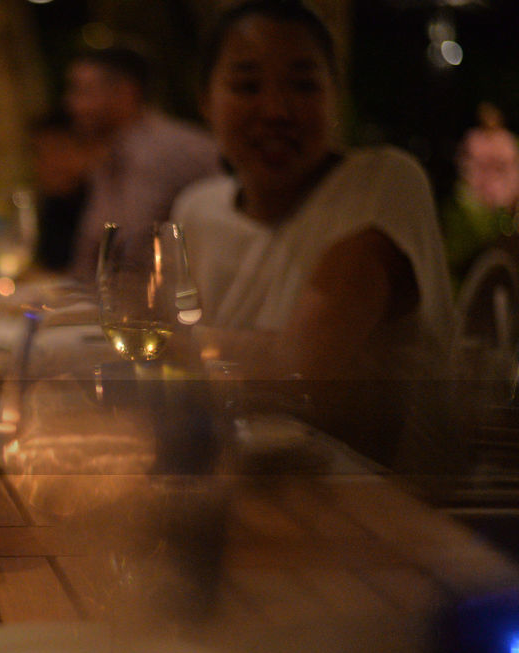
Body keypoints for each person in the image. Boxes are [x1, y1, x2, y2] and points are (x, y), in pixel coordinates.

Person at [170, 0, 455, 473]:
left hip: (388, 515)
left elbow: (301, 367)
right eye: (247, 85)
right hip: (243, 490)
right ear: (205, 100)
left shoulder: (382, 184)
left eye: (303, 85)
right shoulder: (196, 209)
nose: (277, 110)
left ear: (334, 96)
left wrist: (158, 343)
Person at [65, 46, 221, 283]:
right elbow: (91, 250)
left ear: (126, 93)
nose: (72, 104)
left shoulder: (159, 150)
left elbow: (131, 257)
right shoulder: (113, 150)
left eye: (83, 92)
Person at [442, 104, 519, 286]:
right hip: (478, 191)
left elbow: (512, 168)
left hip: (503, 191)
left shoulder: (507, 139)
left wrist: (514, 192)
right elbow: (466, 165)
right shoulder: (474, 137)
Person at [29, 111, 89, 272]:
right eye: (41, 154)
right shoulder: (49, 205)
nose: (49, 163)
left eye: (58, 150)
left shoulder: (99, 207)